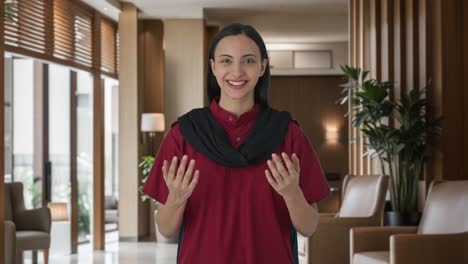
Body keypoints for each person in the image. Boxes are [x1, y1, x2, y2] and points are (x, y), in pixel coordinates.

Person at [143, 23, 330, 264]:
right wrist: (177, 199)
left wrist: (292, 194)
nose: (237, 71)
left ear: (263, 67)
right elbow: (166, 229)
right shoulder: (184, 134)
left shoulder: (288, 134)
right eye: (226, 61)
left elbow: (309, 227)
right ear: (213, 67)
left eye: (249, 61)